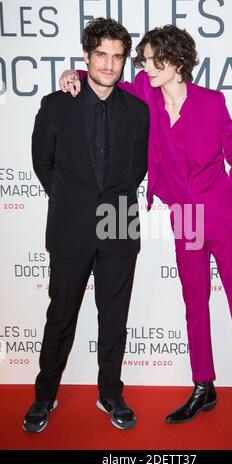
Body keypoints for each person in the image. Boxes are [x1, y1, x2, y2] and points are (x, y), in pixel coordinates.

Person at [60, 24, 232, 445]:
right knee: (195, 303)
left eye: (151, 58)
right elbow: (105, 80)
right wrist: (70, 74)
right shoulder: (146, 96)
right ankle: (204, 385)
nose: (143, 65)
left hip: (221, 217)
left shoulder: (212, 104)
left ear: (176, 61)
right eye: (141, 59)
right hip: (187, 219)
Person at [23, 17, 149, 433]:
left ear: (124, 61)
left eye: (117, 56)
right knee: (61, 315)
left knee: (114, 317)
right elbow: (43, 164)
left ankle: (110, 393)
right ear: (86, 56)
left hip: (118, 223)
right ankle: (45, 395)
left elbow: (138, 169)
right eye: (101, 55)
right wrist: (73, 201)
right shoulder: (57, 104)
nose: (109, 65)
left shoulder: (137, 110)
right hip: (71, 225)